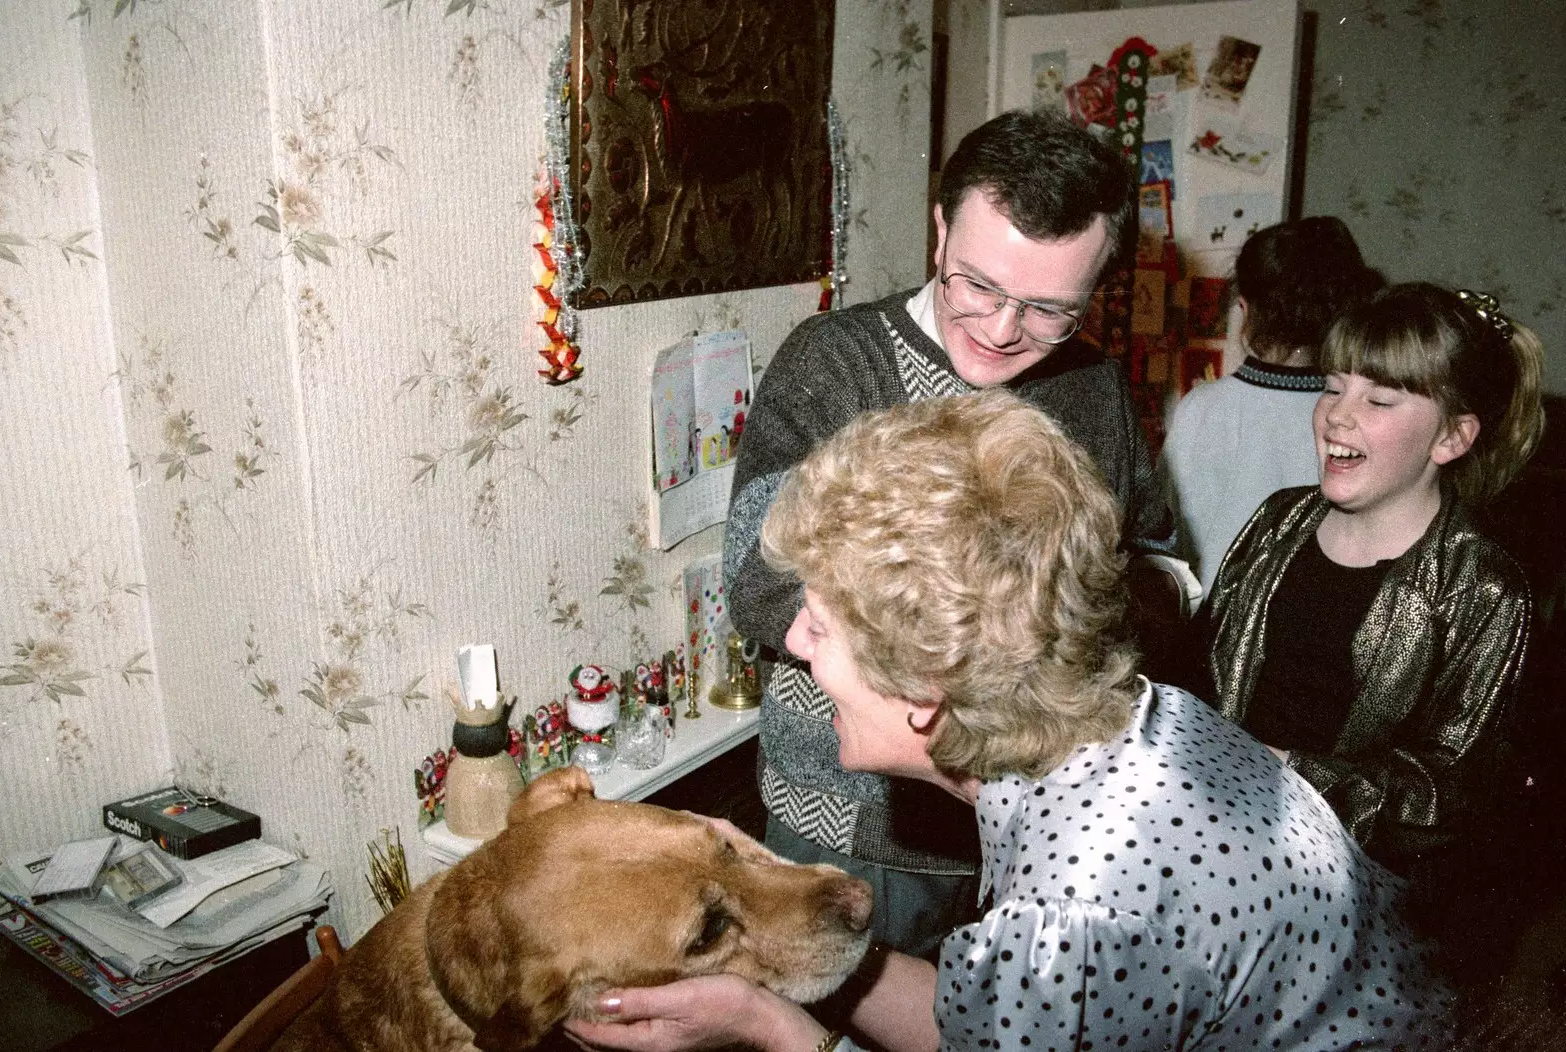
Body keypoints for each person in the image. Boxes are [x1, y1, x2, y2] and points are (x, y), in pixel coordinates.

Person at [570, 391, 1452, 1052]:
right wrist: (799, 962)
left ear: (926, 689)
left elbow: (1048, 983)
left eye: (822, 623)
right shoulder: (1150, 725)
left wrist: (766, 1027)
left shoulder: (1078, 918)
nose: (794, 640)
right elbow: (994, 1022)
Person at [723, 108, 1175, 958]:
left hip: (1036, 820)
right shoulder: (833, 364)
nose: (1004, 332)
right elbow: (759, 588)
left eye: (1050, 310)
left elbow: (1153, 557)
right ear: (939, 232)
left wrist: (1134, 600)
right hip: (852, 823)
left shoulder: (1093, 386)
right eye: (979, 286)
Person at [1200, 283, 1545, 959]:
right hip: (1219, 843)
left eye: (1379, 400)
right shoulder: (1279, 522)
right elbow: (1200, 668)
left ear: (1452, 436)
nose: (1337, 416)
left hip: (1353, 904)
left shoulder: (1485, 589)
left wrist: (1287, 772)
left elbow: (1447, 794)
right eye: (1332, 388)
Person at [1159, 217, 1385, 591]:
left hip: (1211, 623)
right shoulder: (1354, 416)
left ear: (1245, 311)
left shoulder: (1202, 407)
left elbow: (1168, 536)